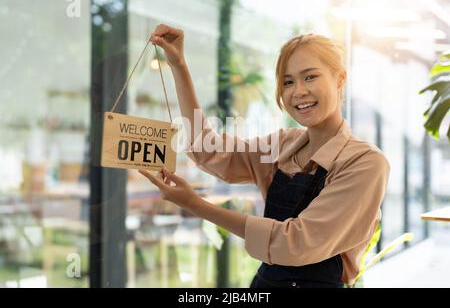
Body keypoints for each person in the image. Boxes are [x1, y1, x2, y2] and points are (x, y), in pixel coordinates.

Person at [139, 24, 390, 288]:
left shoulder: (366, 163)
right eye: (288, 81)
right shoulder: (283, 144)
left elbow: (295, 243)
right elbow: (207, 149)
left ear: (340, 78)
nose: (299, 91)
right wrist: (179, 66)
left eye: (310, 77)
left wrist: (196, 205)